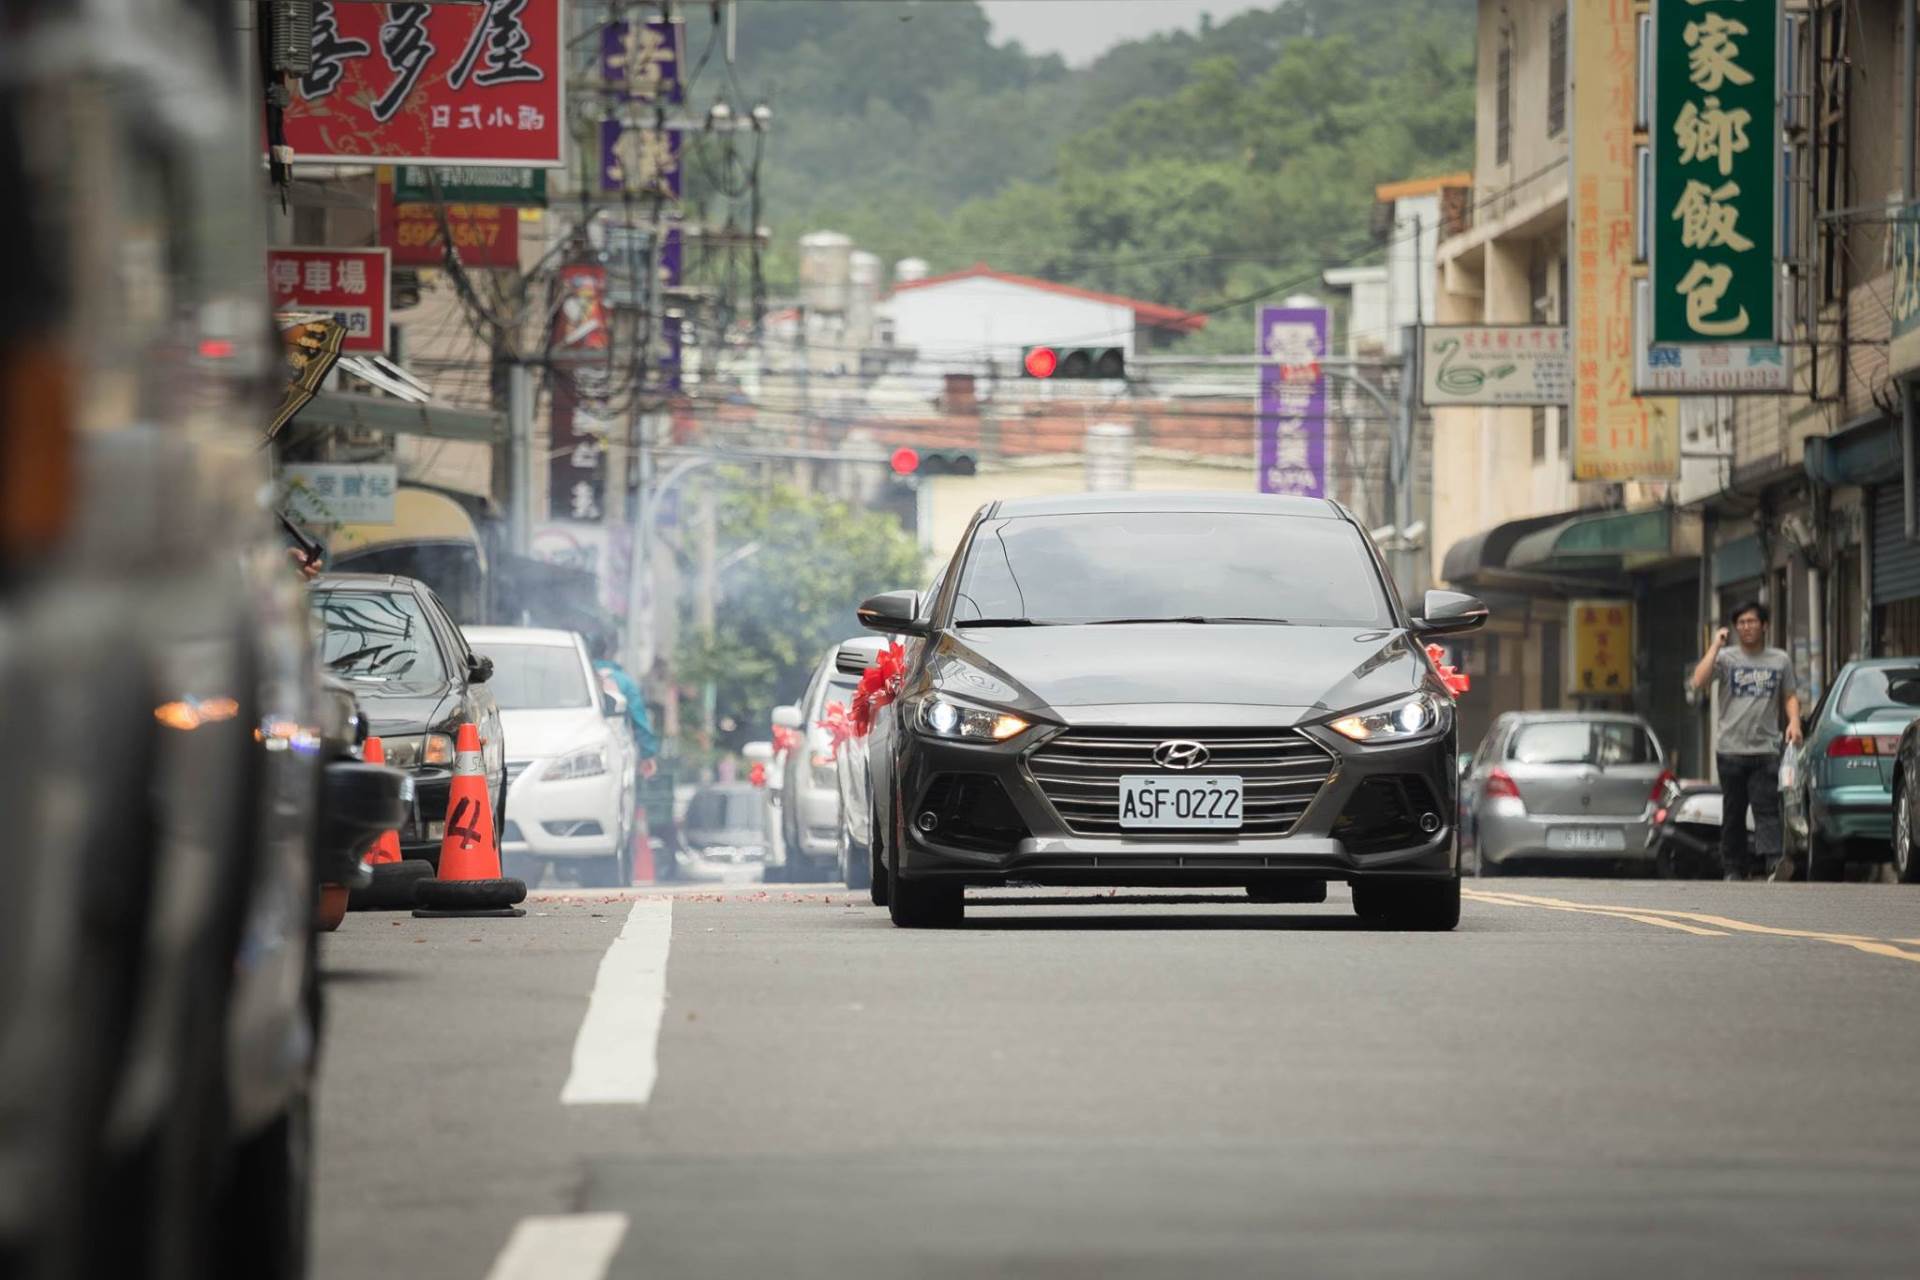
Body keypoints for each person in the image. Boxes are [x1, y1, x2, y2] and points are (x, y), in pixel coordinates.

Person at [1688, 601, 1803, 880]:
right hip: (1730, 750)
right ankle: (1733, 868)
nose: (1746, 627)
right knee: (1733, 813)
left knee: (1766, 810)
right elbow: (1698, 680)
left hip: (1765, 749)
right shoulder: (1726, 658)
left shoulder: (1780, 660)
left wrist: (1795, 722)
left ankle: (1774, 864)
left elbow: (1789, 694)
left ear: (1764, 626)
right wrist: (1715, 645)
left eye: (1752, 622)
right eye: (1741, 623)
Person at [588, 630, 660, 771]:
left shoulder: (577, 676)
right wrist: (647, 754)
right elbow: (639, 720)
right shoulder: (624, 681)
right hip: (616, 752)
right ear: (611, 652)